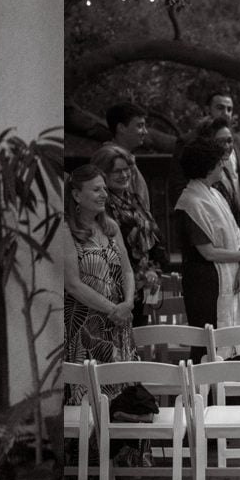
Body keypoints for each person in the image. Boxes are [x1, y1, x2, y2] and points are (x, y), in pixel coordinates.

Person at [61, 164, 137, 397]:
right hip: (86, 327)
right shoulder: (66, 230)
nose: (104, 194)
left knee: (124, 396)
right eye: (96, 190)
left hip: (119, 323)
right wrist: (113, 309)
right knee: (90, 397)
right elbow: (72, 284)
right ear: (76, 195)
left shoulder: (110, 227)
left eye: (104, 188)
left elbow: (128, 271)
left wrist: (128, 303)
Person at [173, 135, 240, 334]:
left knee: (235, 339)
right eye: (219, 162)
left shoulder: (216, 194)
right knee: (208, 340)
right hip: (205, 283)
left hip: (232, 275)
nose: (223, 165)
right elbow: (208, 252)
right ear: (207, 167)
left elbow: (236, 233)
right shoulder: (190, 203)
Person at [93, 142, 166, 322]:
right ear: (103, 173)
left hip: (144, 285)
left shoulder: (134, 200)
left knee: (141, 335)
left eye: (127, 169)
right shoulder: (99, 206)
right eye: (117, 171)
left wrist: (152, 271)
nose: (124, 175)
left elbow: (155, 238)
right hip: (115, 290)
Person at [207, 89, 240, 242]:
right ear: (207, 110)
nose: (226, 113)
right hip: (209, 222)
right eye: (220, 108)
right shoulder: (191, 142)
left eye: (229, 109)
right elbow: (178, 186)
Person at [105, 99, 152, 209]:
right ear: (121, 128)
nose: (145, 131)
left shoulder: (126, 157)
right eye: (140, 126)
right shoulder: (109, 158)